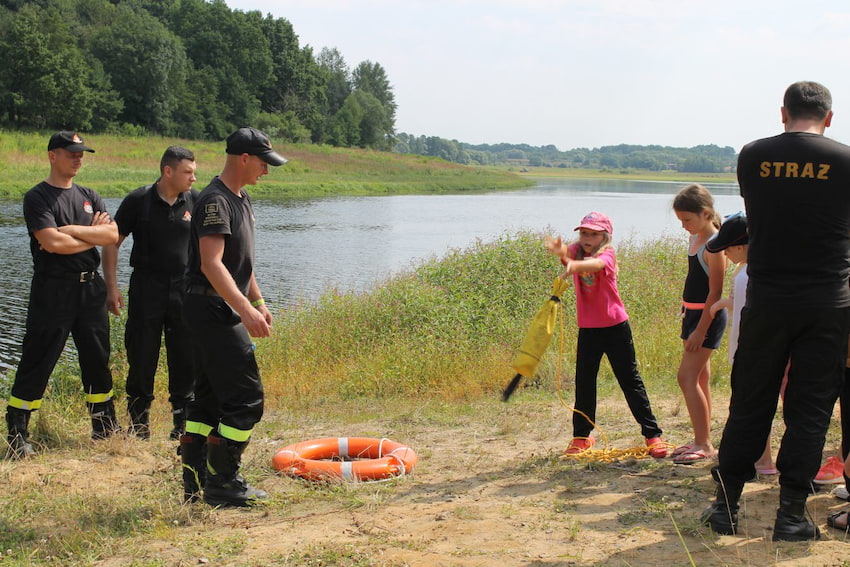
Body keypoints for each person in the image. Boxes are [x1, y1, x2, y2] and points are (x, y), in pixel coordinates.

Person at [702, 81, 850, 542]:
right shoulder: (846, 160)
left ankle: (726, 508)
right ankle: (790, 516)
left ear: (783, 113)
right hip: (827, 302)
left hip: (767, 298)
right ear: (829, 117)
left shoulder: (752, 156)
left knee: (751, 401)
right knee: (810, 411)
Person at [179, 127, 286, 507]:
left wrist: (257, 301)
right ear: (243, 158)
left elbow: (242, 262)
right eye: (263, 163)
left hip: (221, 306)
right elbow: (211, 264)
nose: (266, 171)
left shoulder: (241, 198)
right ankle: (223, 483)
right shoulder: (215, 201)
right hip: (211, 308)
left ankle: (193, 481)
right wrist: (244, 310)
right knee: (245, 399)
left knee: (208, 397)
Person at [5, 131, 120, 459]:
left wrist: (71, 231)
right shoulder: (38, 197)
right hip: (53, 289)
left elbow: (111, 234)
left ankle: (104, 428)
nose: (78, 158)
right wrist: (90, 237)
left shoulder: (89, 195)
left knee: (97, 358)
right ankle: (18, 432)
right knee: (39, 357)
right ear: (52, 155)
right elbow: (52, 244)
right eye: (71, 153)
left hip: (91, 288)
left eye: (81, 153)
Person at [544, 212, 667, 459]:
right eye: (584, 233)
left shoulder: (607, 254)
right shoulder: (577, 250)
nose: (588, 238)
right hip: (588, 329)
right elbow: (568, 255)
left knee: (629, 380)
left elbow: (595, 266)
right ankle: (582, 437)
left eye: (594, 234)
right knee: (584, 381)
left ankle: (653, 435)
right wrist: (560, 252)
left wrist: (572, 265)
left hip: (615, 326)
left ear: (604, 237)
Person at [102, 146, 199, 440]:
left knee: (185, 358)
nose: (194, 178)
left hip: (184, 288)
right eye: (188, 172)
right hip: (147, 287)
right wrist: (111, 287)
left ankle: (182, 426)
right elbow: (111, 243)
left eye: (194, 172)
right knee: (142, 356)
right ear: (167, 171)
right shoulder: (138, 201)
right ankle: (139, 425)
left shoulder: (195, 200)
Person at [707, 212, 782, 476]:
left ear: (740, 246)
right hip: (748, 348)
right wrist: (725, 303)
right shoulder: (748, 269)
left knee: (753, 407)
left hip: (753, 351)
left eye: (727, 248)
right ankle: (763, 459)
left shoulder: (750, 273)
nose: (724, 254)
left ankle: (762, 460)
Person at [670, 184, 727, 465]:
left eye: (687, 220)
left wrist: (700, 330)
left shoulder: (714, 245)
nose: (684, 226)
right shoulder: (696, 237)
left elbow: (715, 293)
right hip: (691, 315)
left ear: (706, 213)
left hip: (707, 319)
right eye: (680, 221)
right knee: (700, 378)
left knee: (686, 377)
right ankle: (702, 438)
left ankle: (704, 444)